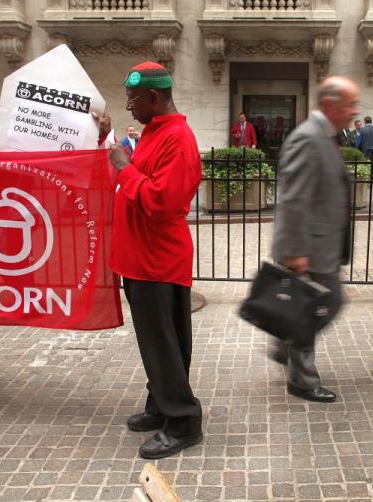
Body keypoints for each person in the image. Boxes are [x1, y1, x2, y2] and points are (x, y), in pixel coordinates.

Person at [107, 62, 203, 459]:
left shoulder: (177, 139)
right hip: (143, 258)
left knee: (162, 342)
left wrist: (125, 170)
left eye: (132, 98)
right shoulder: (153, 133)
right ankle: (161, 404)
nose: (128, 105)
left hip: (157, 260)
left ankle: (182, 421)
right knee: (162, 341)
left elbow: (163, 203)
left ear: (154, 97)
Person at [269, 76, 358, 403]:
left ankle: (285, 343)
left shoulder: (326, 136)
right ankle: (302, 381)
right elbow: (292, 199)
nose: (354, 111)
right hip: (308, 248)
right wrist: (295, 251)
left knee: (321, 305)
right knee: (317, 308)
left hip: (321, 245)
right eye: (350, 104)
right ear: (330, 104)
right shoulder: (308, 138)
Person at [355, 115, 373, 186]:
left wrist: (356, 149)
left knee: (366, 166)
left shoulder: (362, 130)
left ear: (365, 122)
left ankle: (367, 183)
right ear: (371, 121)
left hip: (365, 150)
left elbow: (359, 142)